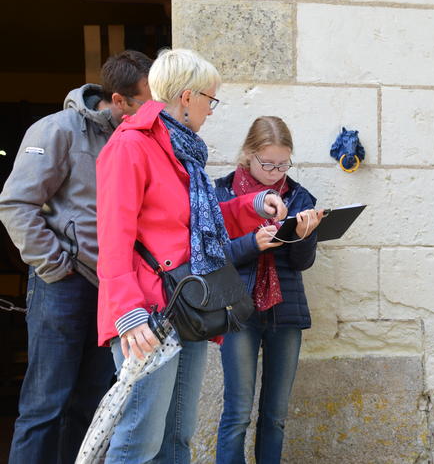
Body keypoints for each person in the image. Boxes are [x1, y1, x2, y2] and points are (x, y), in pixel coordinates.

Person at [94, 48, 288, 463]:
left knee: (177, 441)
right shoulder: (131, 145)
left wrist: (254, 204)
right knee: (137, 444)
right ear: (187, 97)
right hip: (147, 315)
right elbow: (112, 235)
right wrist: (127, 313)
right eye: (210, 99)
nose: (211, 111)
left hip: (187, 307)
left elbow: (199, 221)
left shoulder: (181, 150)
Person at [0, 50, 153, 464]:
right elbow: (15, 204)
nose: (154, 111)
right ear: (118, 100)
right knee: (43, 408)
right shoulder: (56, 130)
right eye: (146, 101)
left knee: (90, 406)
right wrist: (56, 265)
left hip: (111, 291)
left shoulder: (137, 138)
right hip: (63, 285)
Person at [215, 116, 323, 464]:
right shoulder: (221, 193)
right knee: (237, 413)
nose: (276, 173)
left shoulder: (299, 196)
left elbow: (302, 263)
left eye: (283, 164)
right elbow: (212, 258)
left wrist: (304, 238)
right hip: (239, 313)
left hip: (285, 313)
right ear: (249, 155)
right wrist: (253, 244)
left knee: (275, 416)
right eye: (268, 164)